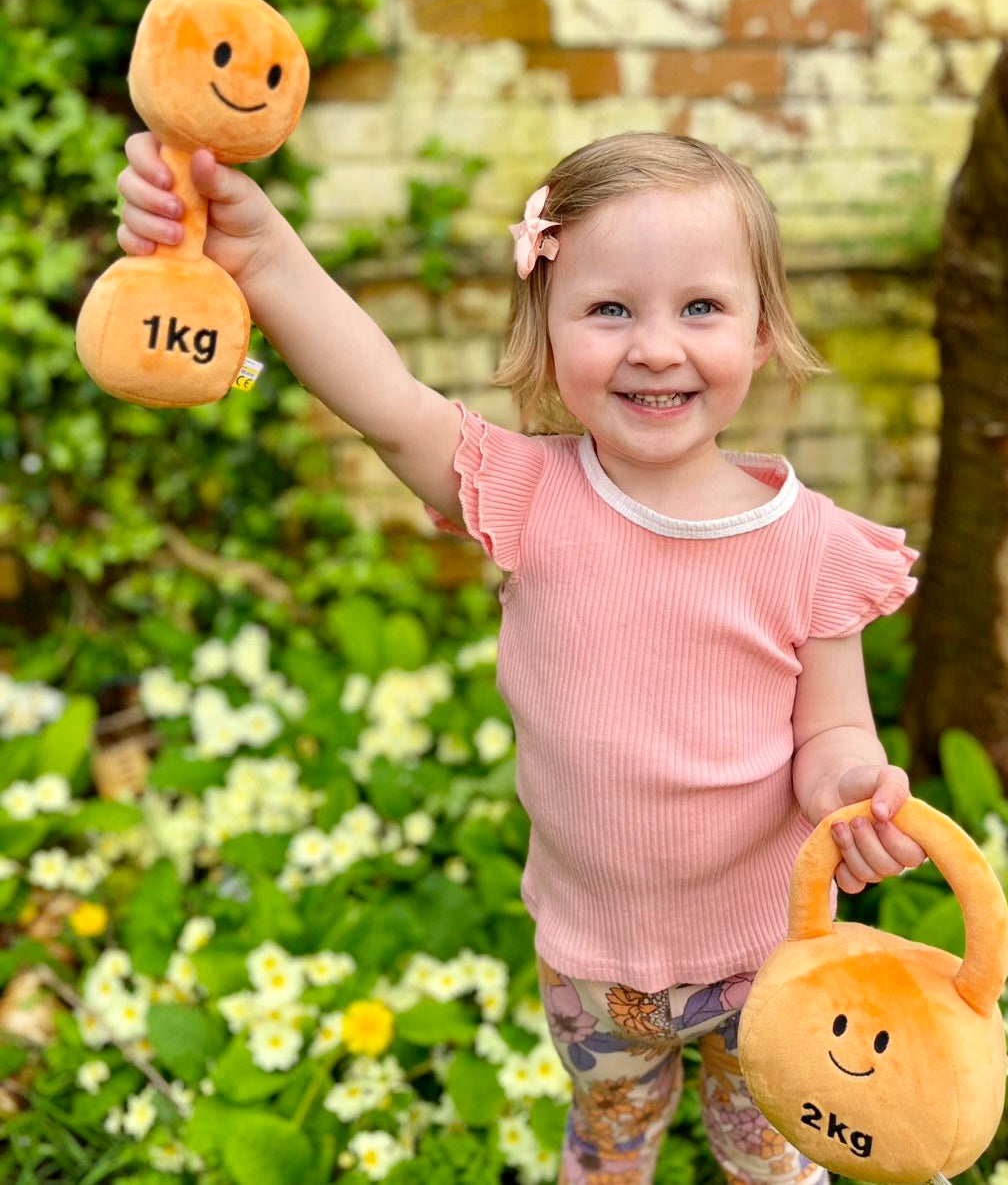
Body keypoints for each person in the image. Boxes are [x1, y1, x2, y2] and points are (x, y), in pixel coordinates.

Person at [115, 129, 927, 1185]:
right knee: (607, 1142)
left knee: (773, 1156)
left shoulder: (810, 542)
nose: (654, 346)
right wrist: (257, 254)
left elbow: (830, 732)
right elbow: (386, 403)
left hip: (770, 954)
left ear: (764, 330)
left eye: (699, 307)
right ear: (544, 328)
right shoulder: (533, 496)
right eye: (608, 308)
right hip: (594, 965)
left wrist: (854, 791)